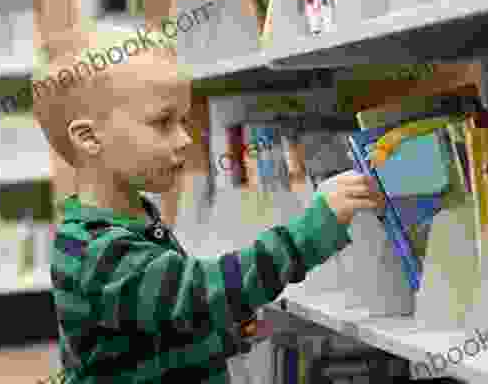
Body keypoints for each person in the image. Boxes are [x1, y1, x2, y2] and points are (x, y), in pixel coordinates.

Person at [32, 27, 385, 384]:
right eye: (162, 122)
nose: (185, 139)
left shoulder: (128, 220)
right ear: (89, 137)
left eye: (183, 121)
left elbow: (149, 333)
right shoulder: (98, 251)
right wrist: (314, 227)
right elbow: (203, 290)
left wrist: (214, 339)